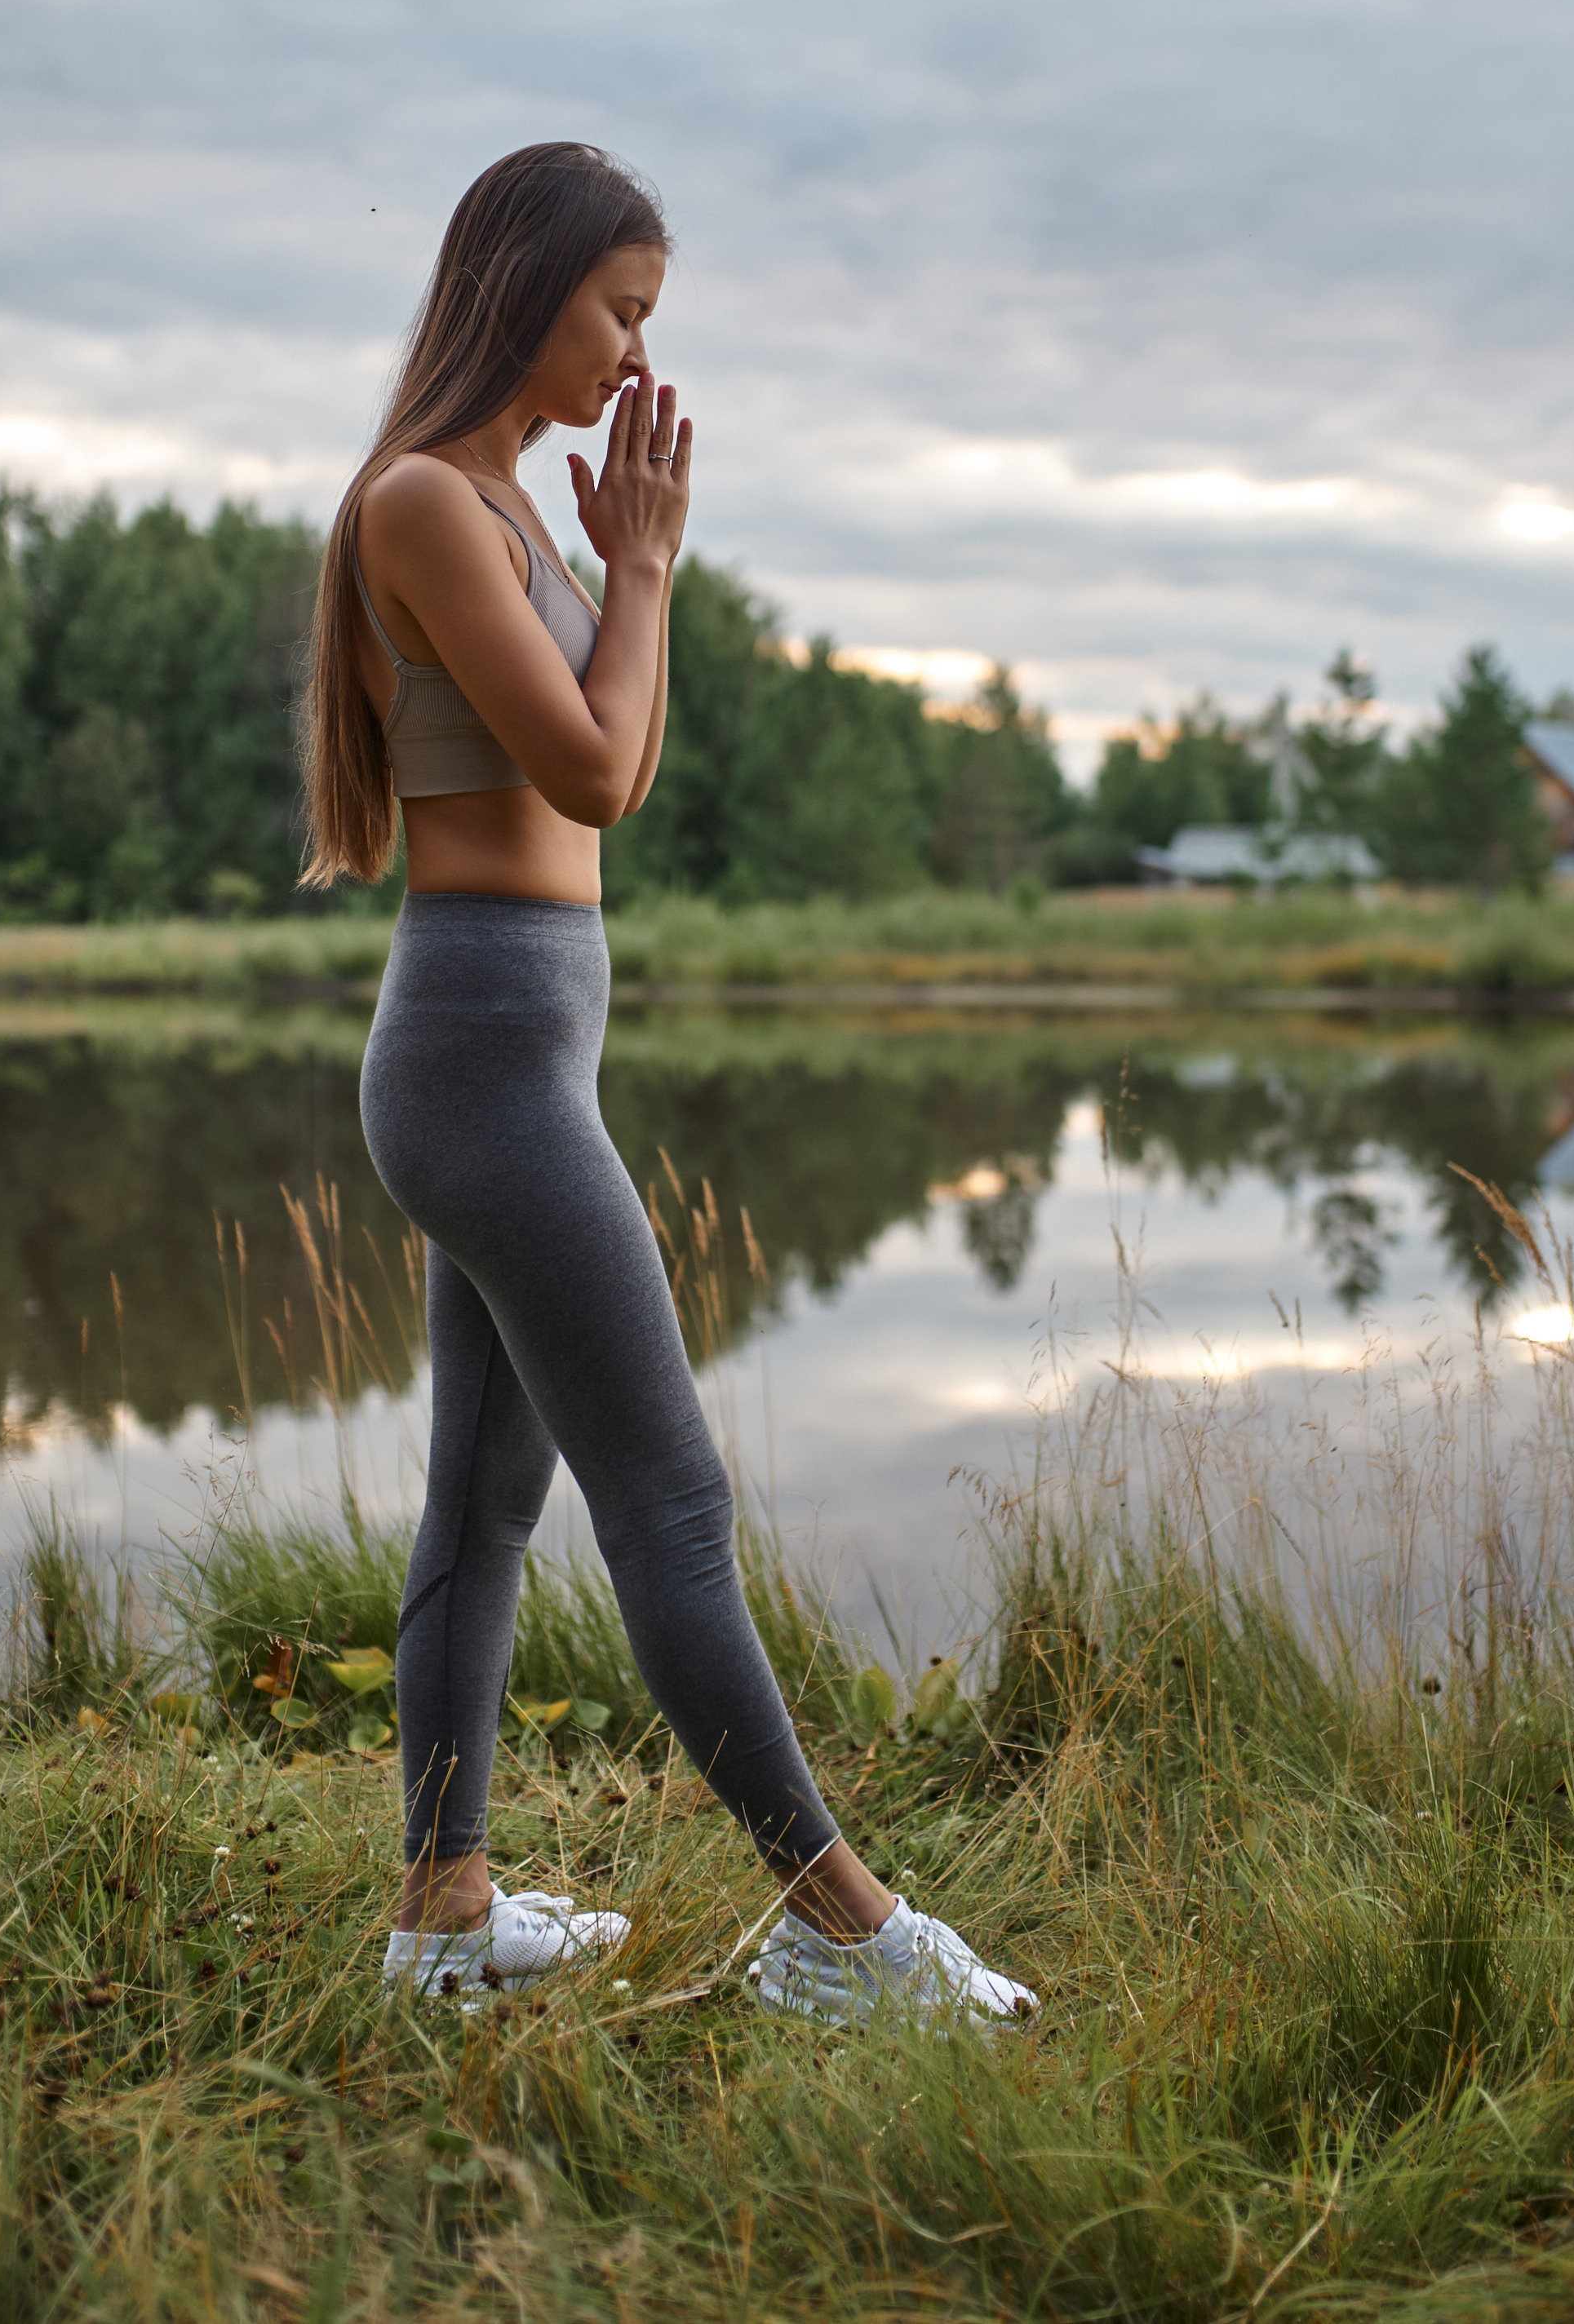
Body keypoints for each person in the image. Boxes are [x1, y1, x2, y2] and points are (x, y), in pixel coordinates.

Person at [301, 142, 1034, 2028]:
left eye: (651, 321)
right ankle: (840, 1929)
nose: (637, 355)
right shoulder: (425, 509)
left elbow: (625, 745)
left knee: (482, 1508)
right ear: (522, 283)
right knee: (674, 1503)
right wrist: (638, 566)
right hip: (479, 1060)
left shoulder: (516, 518)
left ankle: (442, 1916)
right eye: (621, 308)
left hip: (515, 1046)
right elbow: (594, 777)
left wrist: (631, 569)